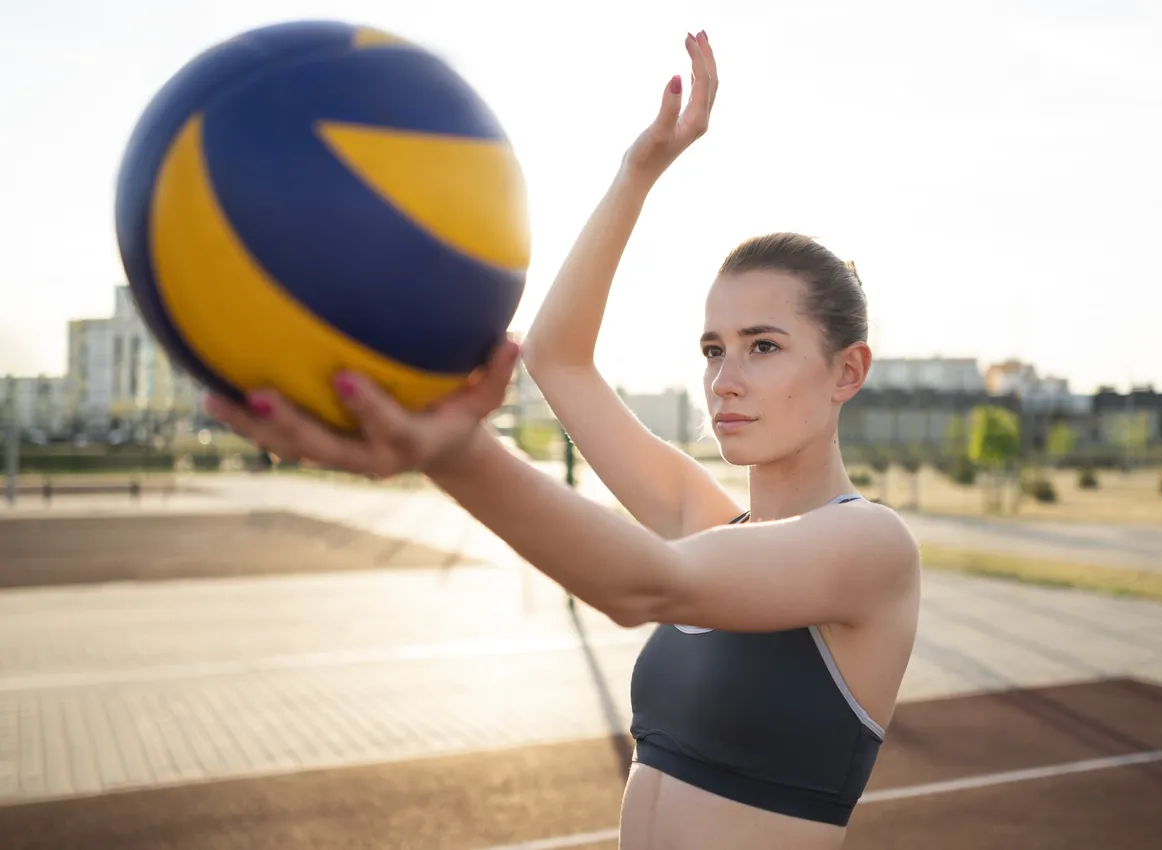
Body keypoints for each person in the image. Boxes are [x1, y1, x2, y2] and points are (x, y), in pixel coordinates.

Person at [204, 30, 920, 850]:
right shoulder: (706, 521)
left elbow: (643, 586)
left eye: (764, 346)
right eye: (713, 349)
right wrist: (637, 173)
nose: (725, 378)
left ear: (847, 371)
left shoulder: (871, 547)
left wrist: (449, 450)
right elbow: (556, 359)